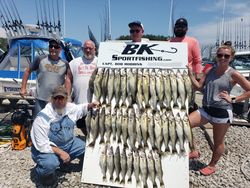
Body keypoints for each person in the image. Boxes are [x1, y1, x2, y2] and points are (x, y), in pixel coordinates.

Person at [187, 45, 250, 176]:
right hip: (206, 109)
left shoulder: (233, 74)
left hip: (222, 113)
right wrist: (190, 74)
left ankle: (212, 165)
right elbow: (199, 86)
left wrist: (233, 99)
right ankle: (194, 150)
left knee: (218, 141)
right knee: (184, 124)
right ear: (216, 56)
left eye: (226, 56)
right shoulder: (210, 70)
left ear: (231, 57)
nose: (222, 58)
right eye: (220, 55)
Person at [31, 85, 99, 186]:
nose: (59, 101)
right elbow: (42, 144)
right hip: (46, 150)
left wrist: (91, 105)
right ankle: (43, 173)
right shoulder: (42, 117)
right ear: (52, 99)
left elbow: (81, 108)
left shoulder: (70, 108)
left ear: (66, 99)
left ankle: (63, 163)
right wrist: (60, 152)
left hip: (69, 144)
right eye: (56, 98)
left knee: (89, 149)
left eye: (61, 98)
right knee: (50, 164)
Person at [20, 38, 69, 117]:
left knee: (55, 123)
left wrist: (67, 96)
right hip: (40, 99)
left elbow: (69, 80)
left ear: (60, 49)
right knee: (38, 122)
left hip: (56, 100)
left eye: (56, 47)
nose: (53, 48)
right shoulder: (40, 59)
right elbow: (27, 71)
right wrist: (23, 88)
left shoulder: (65, 63)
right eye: (51, 46)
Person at [65, 40, 97, 135]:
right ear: (82, 49)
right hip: (80, 102)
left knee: (96, 124)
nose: (88, 50)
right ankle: (88, 139)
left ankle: (94, 140)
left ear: (94, 49)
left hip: (95, 102)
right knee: (81, 124)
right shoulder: (74, 62)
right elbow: (68, 79)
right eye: (86, 48)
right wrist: (68, 96)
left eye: (90, 48)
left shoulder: (100, 62)